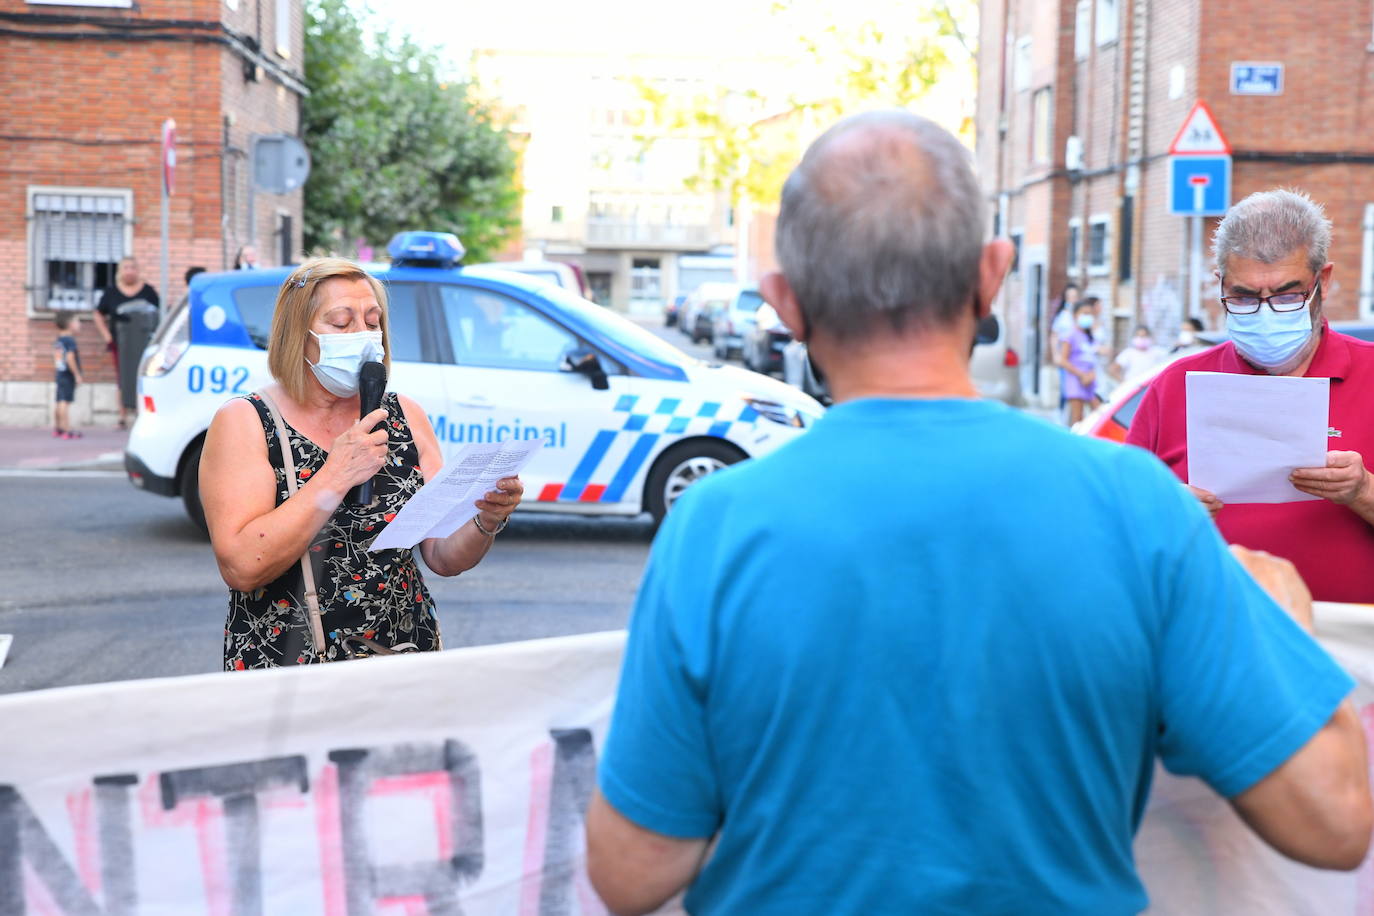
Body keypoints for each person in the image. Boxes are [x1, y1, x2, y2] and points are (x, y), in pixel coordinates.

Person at [585, 112, 1371, 915]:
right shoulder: (1135, 510)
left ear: (785, 302)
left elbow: (631, 872)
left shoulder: (715, 525)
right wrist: (1277, 628)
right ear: (993, 275)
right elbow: (1334, 822)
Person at [198, 257, 525, 668]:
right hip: (289, 666)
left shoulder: (405, 416)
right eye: (341, 323)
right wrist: (335, 474)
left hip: (403, 655)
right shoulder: (247, 423)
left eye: (373, 322)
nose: (364, 335)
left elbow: (442, 556)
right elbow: (243, 566)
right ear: (298, 335)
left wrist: (485, 519)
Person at [1128, 189, 1374, 604]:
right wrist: (1159, 513)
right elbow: (1117, 530)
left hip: (1351, 648)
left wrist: (1363, 490)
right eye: (1243, 297)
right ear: (1219, 284)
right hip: (1212, 640)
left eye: (1286, 296)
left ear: (1323, 282)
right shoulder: (1175, 386)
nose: (1265, 313)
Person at [92, 255, 159, 429]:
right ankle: (122, 416)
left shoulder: (148, 291)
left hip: (143, 342)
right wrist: (106, 335)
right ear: (120, 271)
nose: (129, 271)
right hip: (120, 344)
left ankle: (139, 413)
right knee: (122, 377)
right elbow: (98, 313)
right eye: (126, 268)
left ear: (138, 270)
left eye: (132, 267)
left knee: (141, 376)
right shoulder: (112, 292)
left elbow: (157, 314)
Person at [1058, 297, 1100, 424]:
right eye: (1084, 313)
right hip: (1076, 380)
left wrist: (1091, 374)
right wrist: (1081, 375)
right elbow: (1063, 360)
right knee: (1077, 418)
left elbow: (1091, 359)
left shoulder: (1089, 336)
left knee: (1098, 414)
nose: (1088, 317)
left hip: (1089, 381)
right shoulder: (1070, 335)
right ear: (1075, 315)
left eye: (1090, 314)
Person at [52, 311, 84, 439]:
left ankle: (58, 428)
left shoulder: (59, 340)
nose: (80, 324)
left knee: (59, 401)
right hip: (68, 375)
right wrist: (77, 374)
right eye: (78, 322)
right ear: (70, 325)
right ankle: (66, 430)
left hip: (60, 373)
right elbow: (70, 358)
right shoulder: (70, 341)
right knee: (65, 402)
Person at [1047, 282, 1080, 407]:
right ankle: (1062, 415)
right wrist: (1056, 354)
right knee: (1066, 390)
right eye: (1070, 296)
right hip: (1065, 358)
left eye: (1075, 296)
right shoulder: (1062, 317)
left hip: (1078, 358)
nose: (1073, 299)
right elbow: (1054, 336)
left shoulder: (1081, 317)